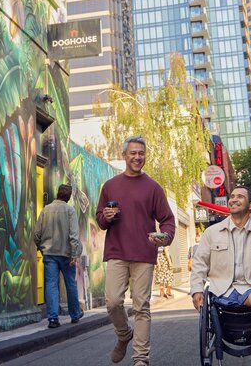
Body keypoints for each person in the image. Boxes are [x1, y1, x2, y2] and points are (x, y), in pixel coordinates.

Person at [96, 136, 175, 366]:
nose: (137, 157)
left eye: (141, 153)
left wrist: (165, 237)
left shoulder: (153, 188)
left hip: (144, 254)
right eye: (133, 153)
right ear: (124, 155)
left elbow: (167, 220)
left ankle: (141, 359)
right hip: (116, 252)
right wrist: (106, 217)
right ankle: (123, 335)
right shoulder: (110, 186)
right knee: (112, 302)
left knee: (142, 306)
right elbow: (100, 218)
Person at [190, 187, 251, 312]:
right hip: (220, 290)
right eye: (232, 196)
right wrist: (197, 290)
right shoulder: (211, 233)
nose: (234, 200)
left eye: (240, 197)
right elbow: (200, 264)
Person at [33, 184, 83, 328]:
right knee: (70, 284)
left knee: (51, 284)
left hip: (49, 253)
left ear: (57, 193)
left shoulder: (45, 210)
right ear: (69, 197)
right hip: (66, 254)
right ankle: (75, 314)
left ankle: (53, 319)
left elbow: (37, 234)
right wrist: (74, 254)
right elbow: (73, 235)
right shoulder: (70, 210)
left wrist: (41, 248)